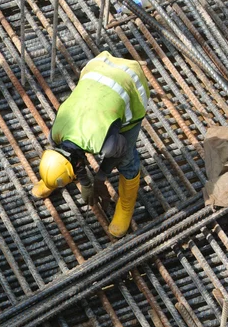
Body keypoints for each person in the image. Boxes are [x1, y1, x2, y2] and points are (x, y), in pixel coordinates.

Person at [32, 51, 150, 238]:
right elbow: (73, 157)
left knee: (127, 161)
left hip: (129, 83)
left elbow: (119, 151)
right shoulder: (55, 134)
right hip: (96, 68)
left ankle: (126, 207)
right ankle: (52, 179)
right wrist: (85, 182)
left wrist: (100, 176)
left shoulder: (105, 144)